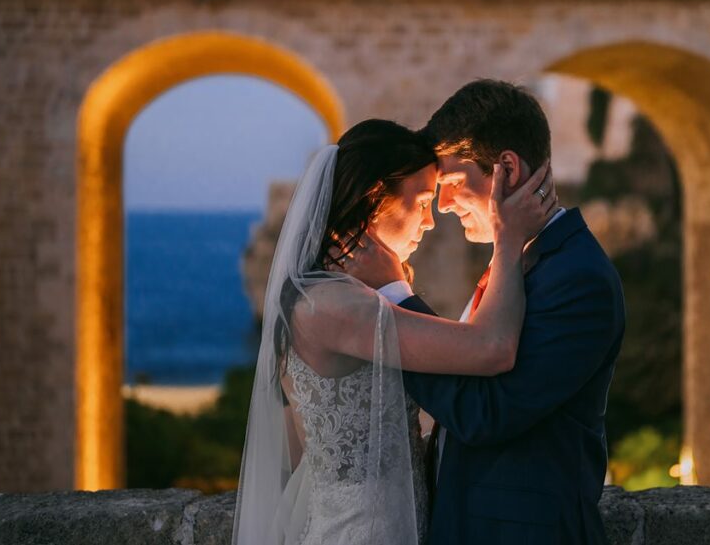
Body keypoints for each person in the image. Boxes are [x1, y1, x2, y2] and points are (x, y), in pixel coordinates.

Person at [231, 118, 556, 545]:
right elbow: (492, 348)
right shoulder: (334, 307)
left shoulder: (328, 296)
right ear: (374, 200)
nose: (429, 221)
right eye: (421, 203)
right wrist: (508, 239)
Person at [349, 80, 627, 545]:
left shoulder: (579, 279)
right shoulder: (515, 262)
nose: (442, 204)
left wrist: (394, 296)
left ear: (508, 170)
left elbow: (486, 413)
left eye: (453, 183)